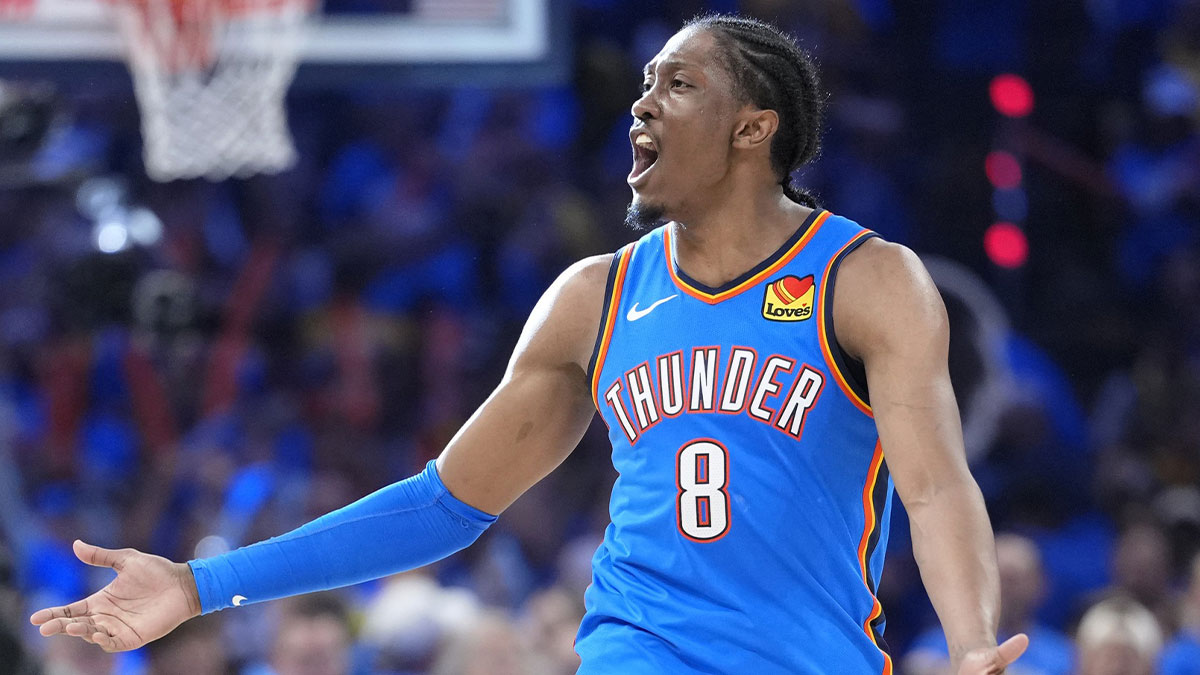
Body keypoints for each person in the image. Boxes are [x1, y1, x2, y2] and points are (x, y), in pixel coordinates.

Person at [29, 14, 1027, 674]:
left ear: (751, 130)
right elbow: (440, 506)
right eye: (644, 83)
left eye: (677, 85)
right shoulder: (593, 298)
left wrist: (975, 643)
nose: (640, 103)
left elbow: (936, 487)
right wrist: (203, 584)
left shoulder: (866, 278)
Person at [902, 533, 1073, 675]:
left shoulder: (1063, 653)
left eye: (1011, 580)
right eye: (993, 577)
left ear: (1039, 584)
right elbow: (915, 665)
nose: (1002, 589)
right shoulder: (942, 640)